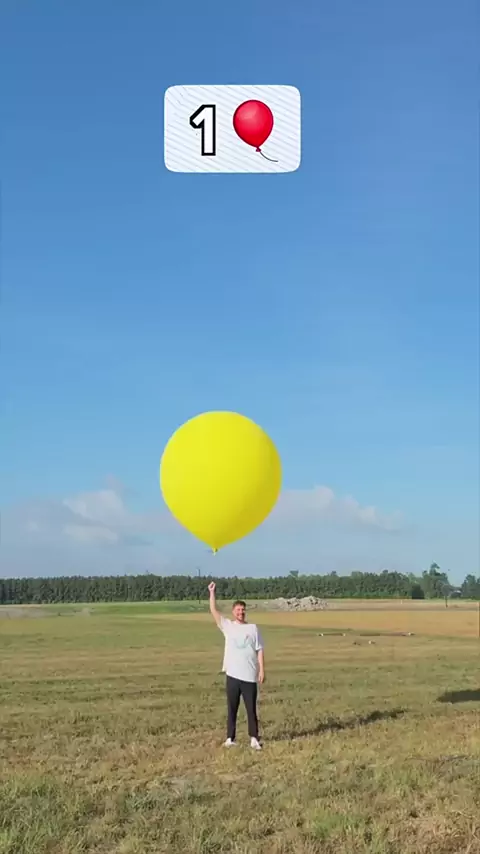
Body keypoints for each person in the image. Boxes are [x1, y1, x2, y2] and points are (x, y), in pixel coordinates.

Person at [208, 581, 264, 750]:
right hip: (232, 675)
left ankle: (254, 738)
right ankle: (230, 738)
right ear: (233, 612)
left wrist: (262, 670)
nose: (241, 612)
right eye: (238, 610)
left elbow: (259, 649)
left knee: (251, 709)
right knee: (232, 708)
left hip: (249, 675)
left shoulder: (253, 628)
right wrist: (212, 593)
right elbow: (214, 611)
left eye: (243, 610)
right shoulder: (228, 626)